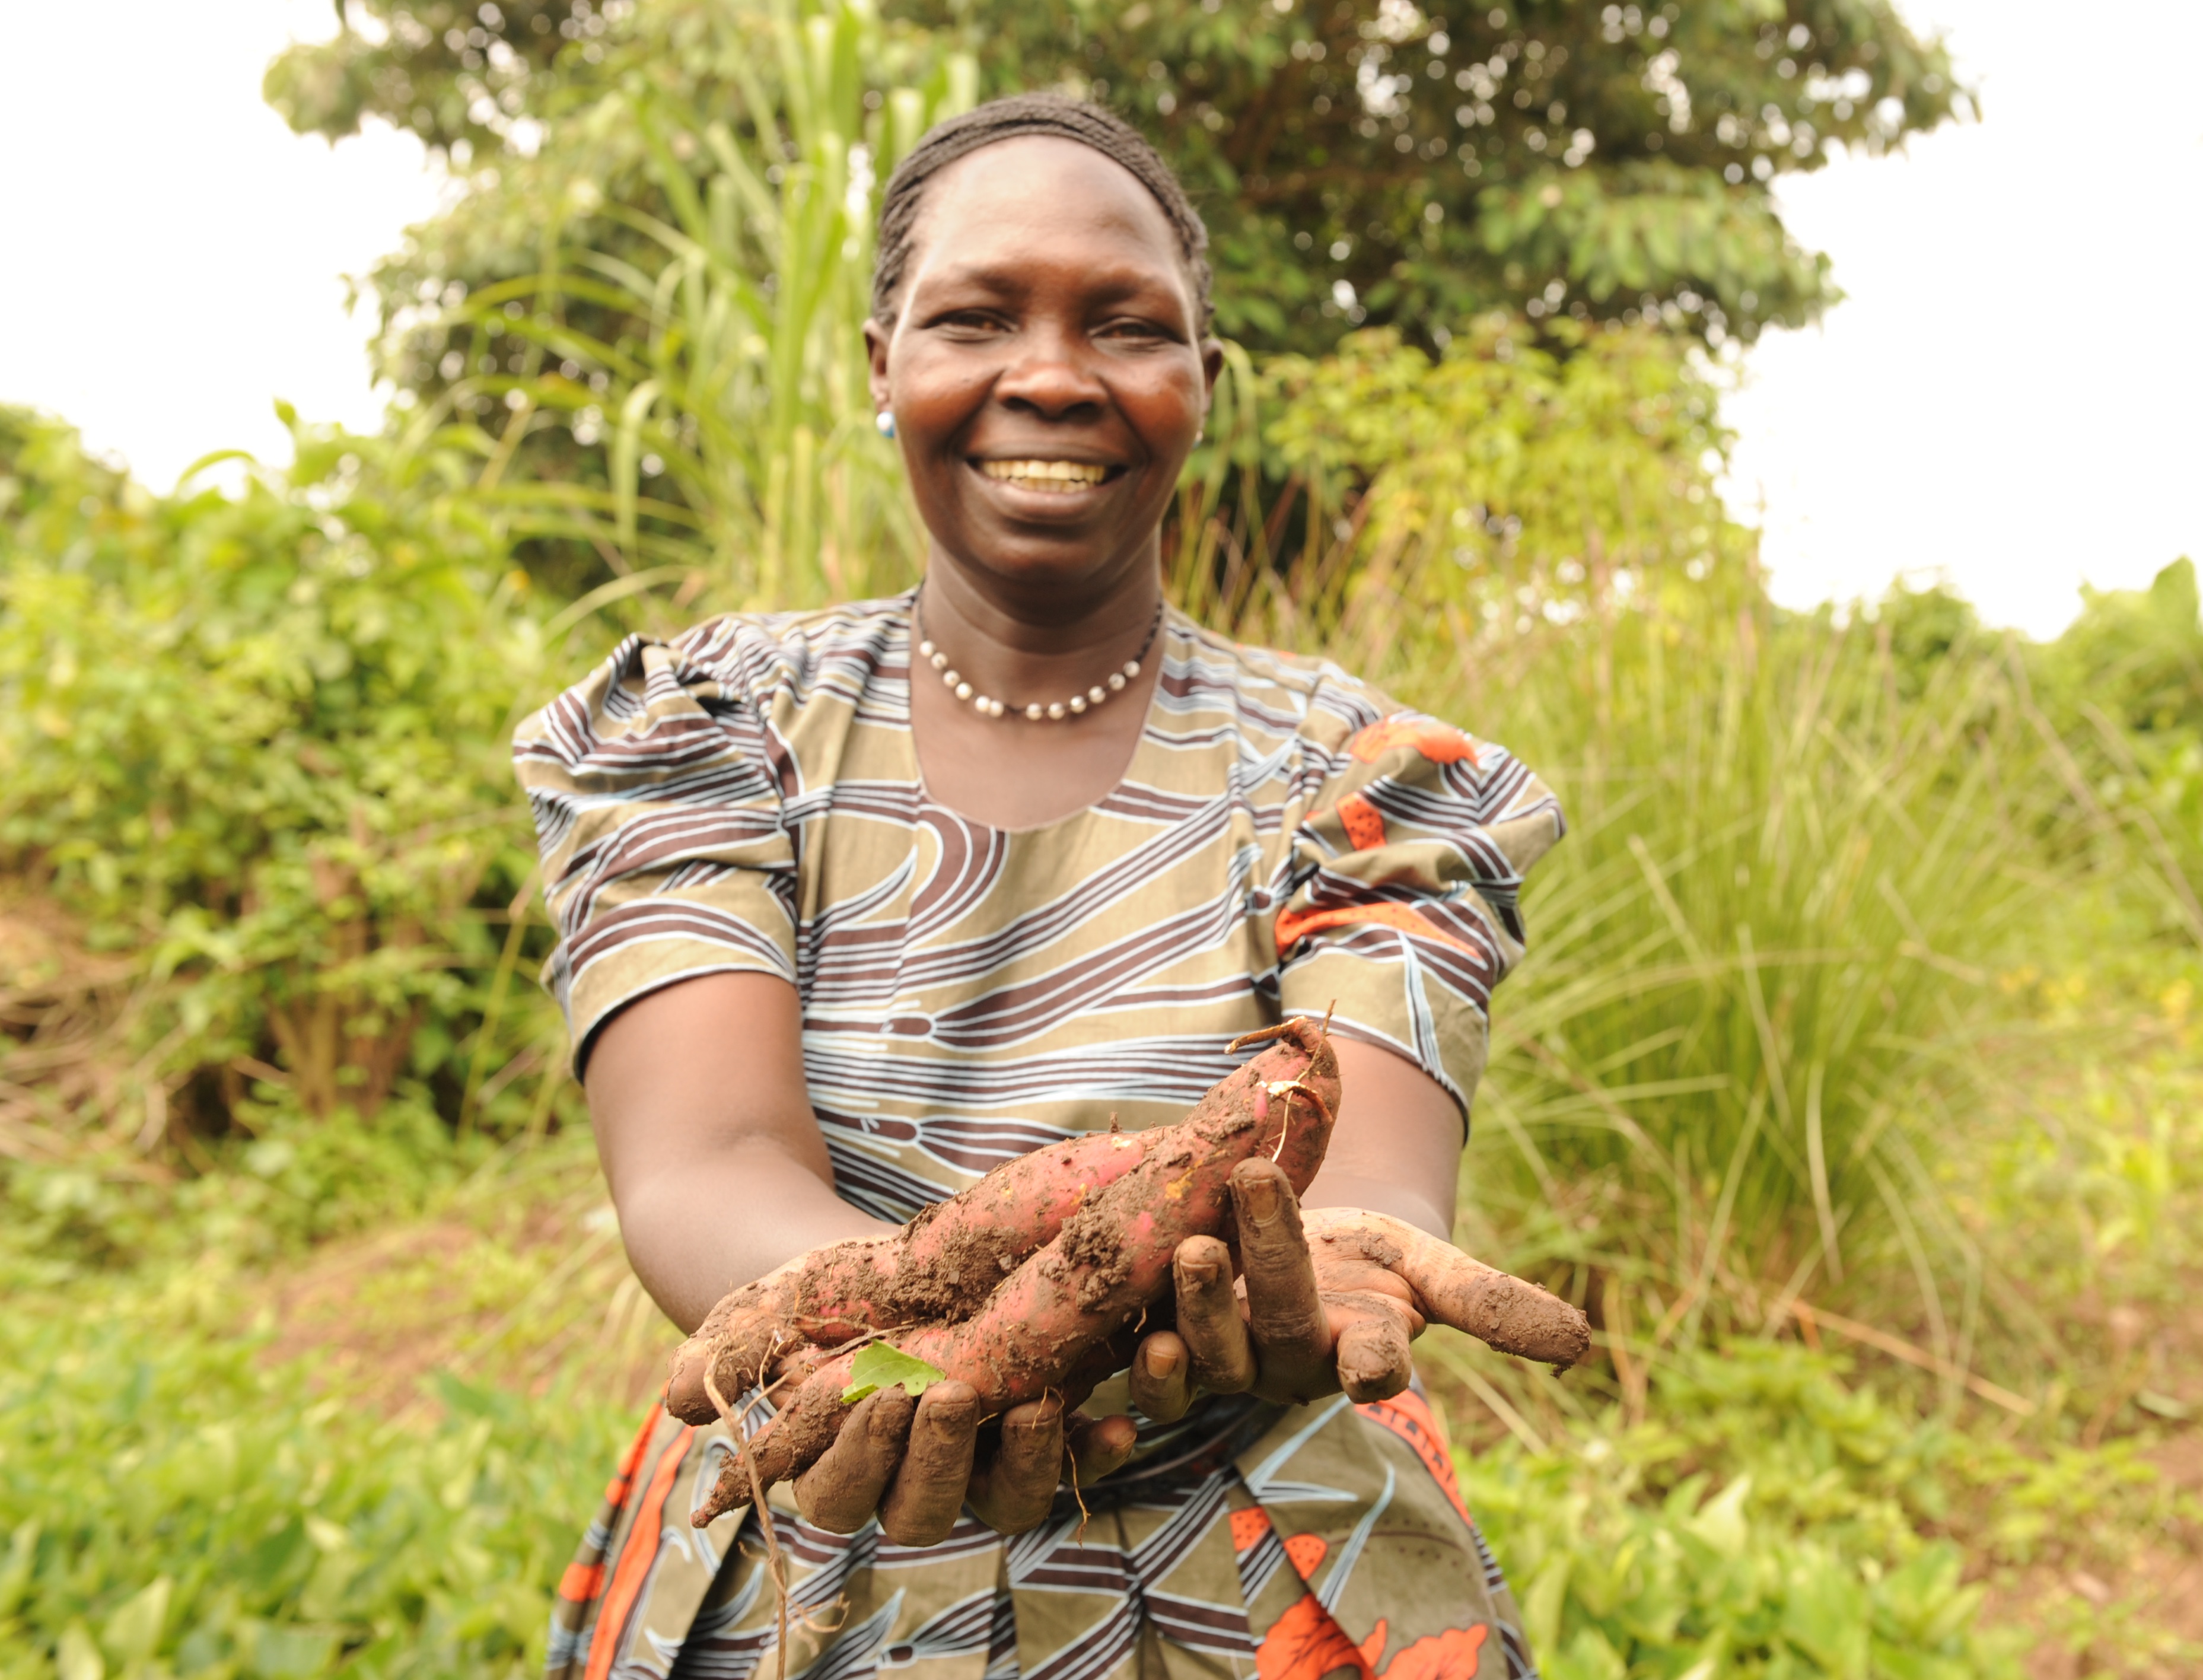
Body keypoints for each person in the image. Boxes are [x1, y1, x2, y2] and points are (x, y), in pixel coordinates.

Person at [517, 93, 1567, 1680]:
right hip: (819, 1533)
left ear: (1200, 384)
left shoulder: (1366, 781)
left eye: (1127, 325)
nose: (1054, 375)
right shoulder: (709, 726)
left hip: (1267, 1579)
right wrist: (912, 1352)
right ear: (884, 362)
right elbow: (700, 1159)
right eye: (978, 315)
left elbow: (1371, 1184)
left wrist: (1332, 1256)